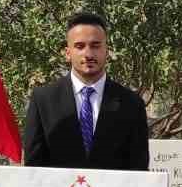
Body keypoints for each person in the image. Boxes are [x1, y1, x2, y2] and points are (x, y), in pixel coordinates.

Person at [21, 11, 150, 171]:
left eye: (95, 46)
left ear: (106, 51)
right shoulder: (43, 100)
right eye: (80, 46)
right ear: (68, 53)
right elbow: (33, 167)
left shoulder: (131, 104)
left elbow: (138, 169)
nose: (88, 54)